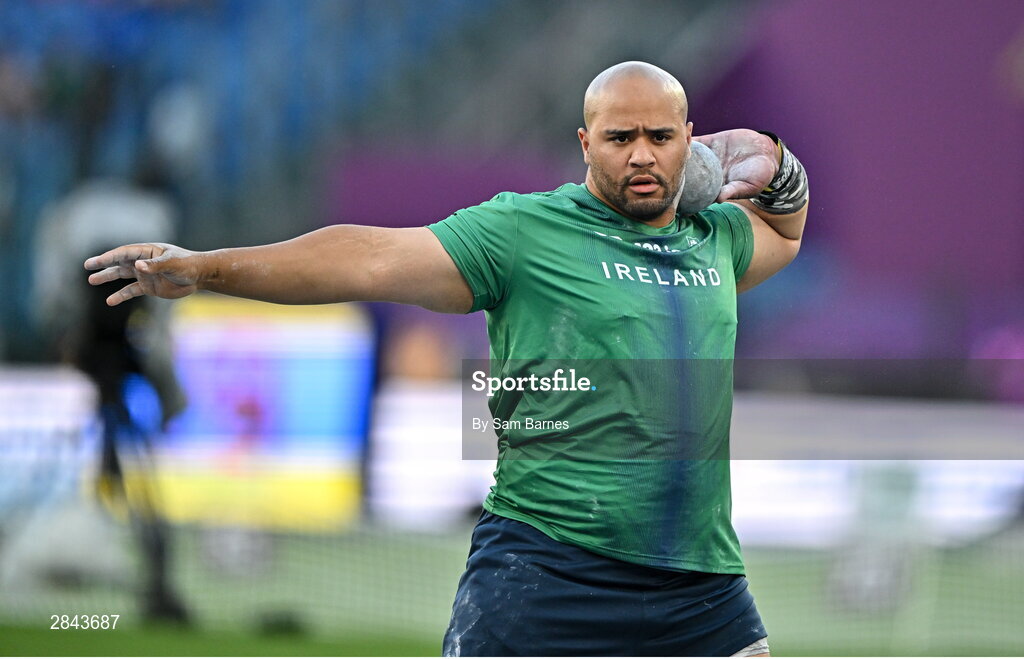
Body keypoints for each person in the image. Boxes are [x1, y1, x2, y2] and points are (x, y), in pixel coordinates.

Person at [84, 61, 808, 656]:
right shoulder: (523, 231)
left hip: (701, 588)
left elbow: (785, 230)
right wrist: (211, 269)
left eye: (659, 136)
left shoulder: (713, 238)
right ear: (585, 143)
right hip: (548, 572)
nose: (642, 155)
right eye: (621, 137)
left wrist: (775, 161)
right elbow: (367, 258)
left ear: (692, 142)